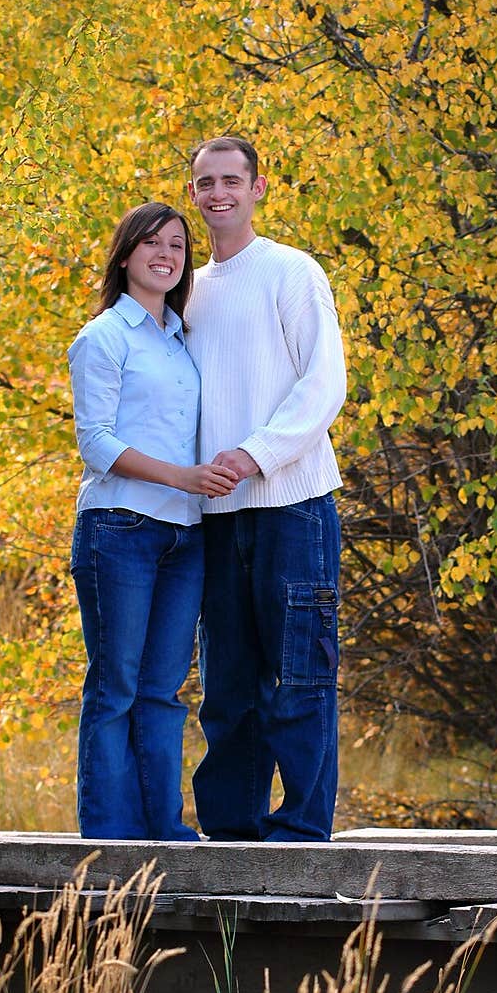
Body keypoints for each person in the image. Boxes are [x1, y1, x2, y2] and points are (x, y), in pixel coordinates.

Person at [186, 135, 347, 843]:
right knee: (226, 688)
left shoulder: (291, 271)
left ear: (257, 188)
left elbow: (324, 385)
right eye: (204, 182)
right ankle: (231, 830)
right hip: (215, 516)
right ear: (192, 194)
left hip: (294, 508)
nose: (217, 192)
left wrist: (254, 455)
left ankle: (302, 832)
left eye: (230, 180)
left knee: (299, 678)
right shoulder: (186, 290)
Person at [68, 201, 238, 842]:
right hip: (121, 530)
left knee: (163, 692)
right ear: (125, 255)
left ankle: (164, 831)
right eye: (151, 244)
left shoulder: (180, 340)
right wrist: (183, 478)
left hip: (185, 536)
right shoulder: (104, 338)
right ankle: (110, 838)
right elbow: (98, 445)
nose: (166, 255)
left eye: (177, 244)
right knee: (115, 687)